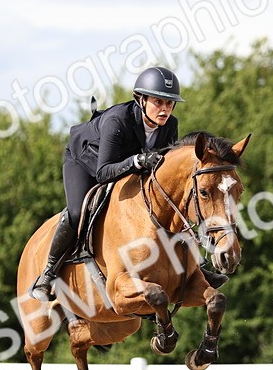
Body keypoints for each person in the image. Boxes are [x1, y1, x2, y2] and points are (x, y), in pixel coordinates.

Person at [28, 66, 184, 303]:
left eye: (169, 104)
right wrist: (137, 160)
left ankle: (192, 265)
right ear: (141, 100)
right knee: (77, 211)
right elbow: (102, 173)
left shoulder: (170, 125)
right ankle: (48, 273)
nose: (164, 109)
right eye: (158, 102)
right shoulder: (117, 120)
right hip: (86, 161)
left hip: (125, 164)